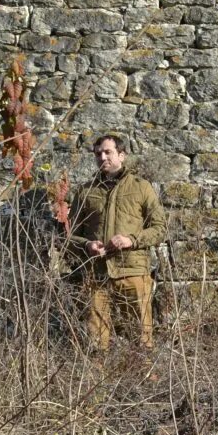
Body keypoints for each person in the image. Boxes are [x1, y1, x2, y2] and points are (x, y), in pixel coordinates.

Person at [68, 133, 167, 350]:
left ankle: (145, 380)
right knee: (95, 342)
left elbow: (161, 229)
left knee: (141, 338)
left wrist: (131, 240)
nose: (102, 157)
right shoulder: (85, 191)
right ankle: (98, 380)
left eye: (108, 152)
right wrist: (87, 245)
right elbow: (69, 235)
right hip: (98, 275)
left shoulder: (141, 187)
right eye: (98, 154)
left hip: (133, 273)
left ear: (121, 155)